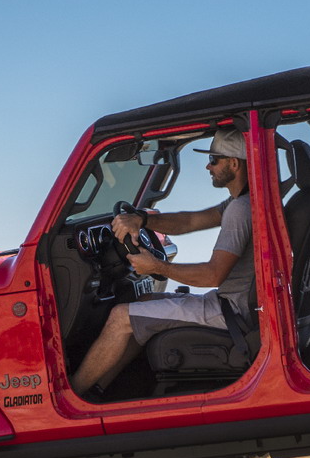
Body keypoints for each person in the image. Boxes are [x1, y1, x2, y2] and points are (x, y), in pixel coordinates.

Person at [69, 126, 255, 398]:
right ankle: (99, 391)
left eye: (214, 160)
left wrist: (157, 267)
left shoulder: (240, 210)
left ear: (234, 164)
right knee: (141, 304)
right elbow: (189, 221)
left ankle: (72, 397)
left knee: (120, 316)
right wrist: (142, 220)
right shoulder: (241, 202)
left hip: (230, 313)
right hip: (232, 305)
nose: (208, 166)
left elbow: (212, 276)